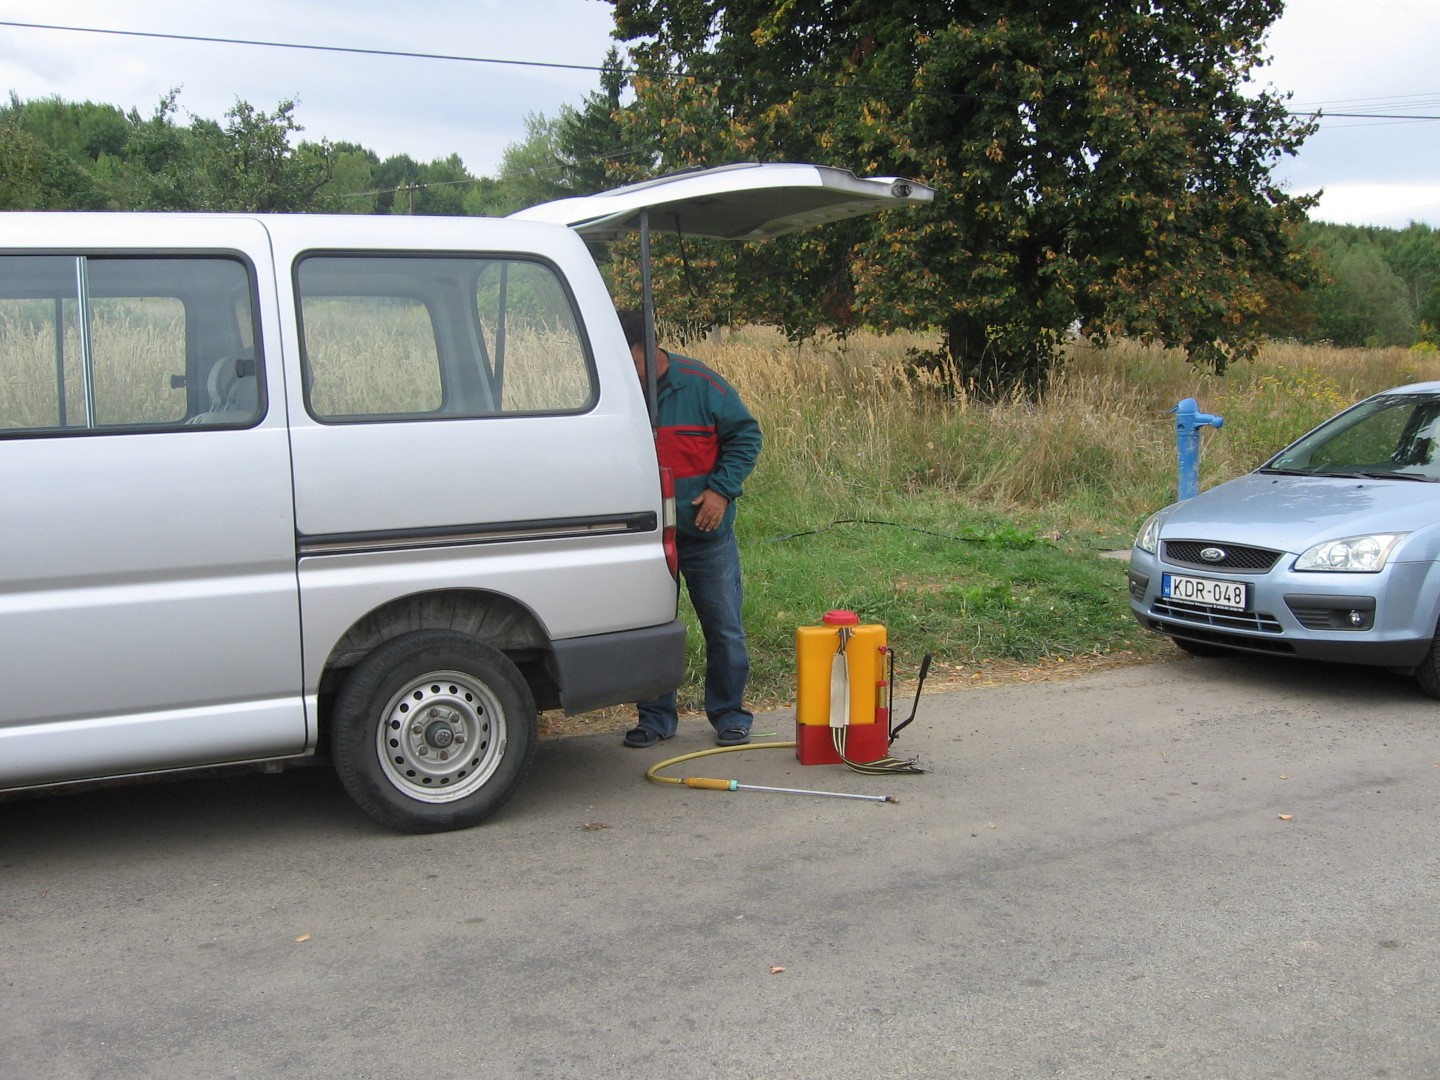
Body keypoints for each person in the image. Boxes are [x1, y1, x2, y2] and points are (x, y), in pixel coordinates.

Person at [618, 310, 763, 749]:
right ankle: (655, 719)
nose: (625, 370)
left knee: (724, 629)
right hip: (647, 537)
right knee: (651, 630)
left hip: (704, 535)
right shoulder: (619, 392)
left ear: (650, 348)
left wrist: (721, 491)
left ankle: (730, 714)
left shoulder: (704, 385)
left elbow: (746, 437)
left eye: (630, 360)